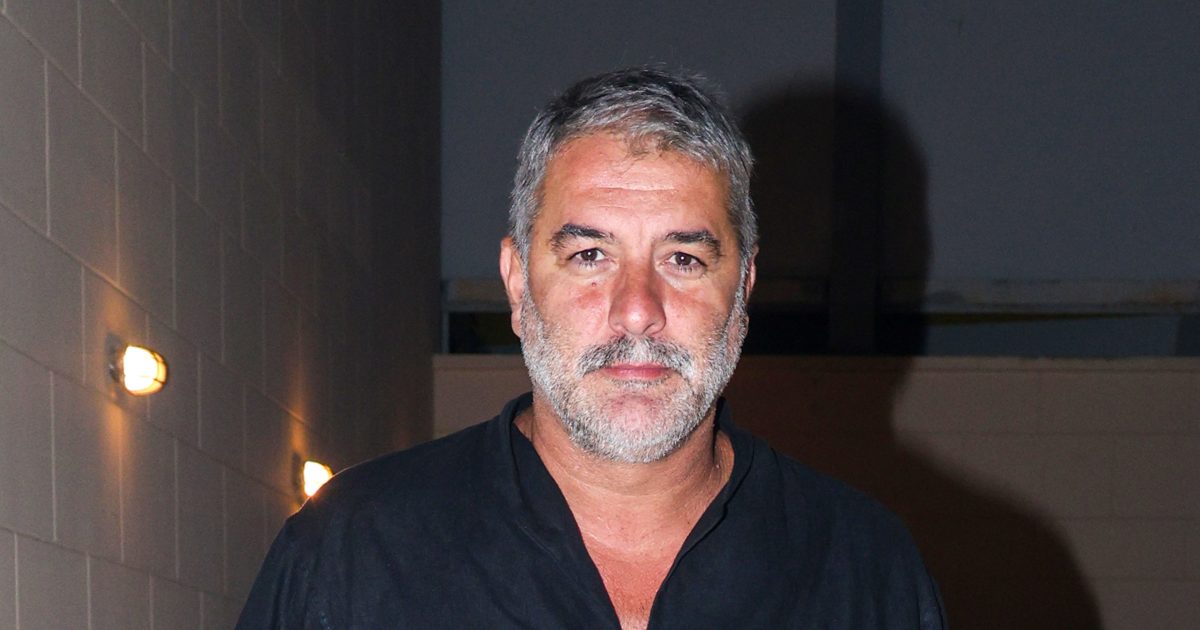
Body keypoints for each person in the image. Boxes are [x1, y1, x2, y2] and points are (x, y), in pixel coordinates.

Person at [237, 67, 946, 629]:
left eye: (684, 259)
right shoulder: (351, 552)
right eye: (589, 256)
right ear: (518, 283)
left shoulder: (865, 569)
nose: (637, 310)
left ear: (743, 288)